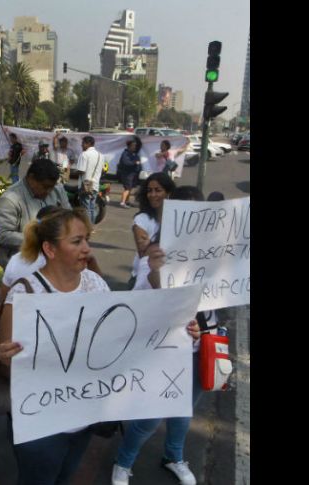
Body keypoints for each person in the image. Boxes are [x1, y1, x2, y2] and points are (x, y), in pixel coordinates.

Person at [0, 208, 110, 485]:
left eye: (86, 240)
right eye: (76, 241)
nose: (87, 249)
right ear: (50, 248)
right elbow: (9, 367)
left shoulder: (96, 284)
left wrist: (176, 333)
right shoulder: (24, 294)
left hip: (83, 417)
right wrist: (4, 356)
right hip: (40, 425)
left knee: (64, 478)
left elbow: (115, 340)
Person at [111, 186, 206, 485]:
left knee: (183, 412)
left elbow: (216, 302)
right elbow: (140, 300)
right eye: (182, 211)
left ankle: (174, 456)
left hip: (199, 346)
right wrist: (154, 271)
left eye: (196, 211)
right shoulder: (154, 251)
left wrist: (204, 330)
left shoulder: (213, 250)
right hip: (163, 346)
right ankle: (123, 464)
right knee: (151, 416)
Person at [0, 158, 71, 269]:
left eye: (51, 187)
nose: (48, 191)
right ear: (31, 178)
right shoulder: (10, 199)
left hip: (52, 263)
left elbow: (69, 217)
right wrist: (38, 240)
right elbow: (0, 235)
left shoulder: (57, 190)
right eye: (45, 186)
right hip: (21, 266)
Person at [128, 172, 176, 288]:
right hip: (142, 281)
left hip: (171, 280)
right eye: (149, 190)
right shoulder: (142, 219)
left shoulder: (177, 219)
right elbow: (144, 252)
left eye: (158, 190)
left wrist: (151, 245)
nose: (153, 194)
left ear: (168, 193)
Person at [73, 136, 104, 225]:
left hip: (85, 185)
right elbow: (101, 170)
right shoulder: (100, 155)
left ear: (88, 144)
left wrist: (73, 171)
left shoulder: (84, 154)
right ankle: (91, 227)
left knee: (86, 208)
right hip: (95, 185)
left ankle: (88, 227)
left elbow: (81, 171)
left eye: (82, 143)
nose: (81, 145)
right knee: (92, 207)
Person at [117, 136, 143, 209]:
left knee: (130, 188)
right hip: (127, 174)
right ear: (130, 146)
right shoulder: (125, 153)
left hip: (132, 174)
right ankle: (122, 202)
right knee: (127, 188)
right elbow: (126, 163)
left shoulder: (133, 153)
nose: (135, 147)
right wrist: (135, 163)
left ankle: (126, 201)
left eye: (135, 146)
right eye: (133, 146)